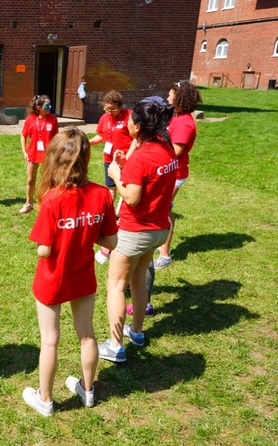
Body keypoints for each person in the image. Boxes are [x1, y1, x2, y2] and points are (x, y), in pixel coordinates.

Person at [22, 126, 118, 416]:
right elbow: (111, 241)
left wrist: (65, 235)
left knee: (50, 339)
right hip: (83, 275)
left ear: (56, 159)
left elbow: (44, 249)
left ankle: (46, 400)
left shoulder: (52, 200)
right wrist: (85, 234)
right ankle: (88, 391)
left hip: (51, 279)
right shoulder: (102, 194)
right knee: (87, 334)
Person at [98, 96, 177, 363]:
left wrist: (117, 175)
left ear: (138, 126)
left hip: (135, 230)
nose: (128, 121)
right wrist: (126, 162)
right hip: (157, 230)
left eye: (132, 119)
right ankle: (138, 331)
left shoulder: (143, 157)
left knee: (116, 285)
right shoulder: (165, 148)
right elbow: (148, 177)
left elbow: (131, 198)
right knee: (139, 279)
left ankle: (115, 345)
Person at [154, 81, 202, 269]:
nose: (167, 98)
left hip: (175, 173)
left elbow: (176, 151)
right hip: (167, 170)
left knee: (164, 211)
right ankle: (161, 244)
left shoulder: (184, 123)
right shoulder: (176, 117)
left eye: (170, 94)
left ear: (179, 97)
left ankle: (165, 255)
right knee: (163, 209)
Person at [89, 90, 134, 200]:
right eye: (106, 109)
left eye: (112, 109)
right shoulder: (104, 117)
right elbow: (101, 136)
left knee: (127, 188)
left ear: (120, 106)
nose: (109, 112)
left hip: (126, 158)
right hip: (109, 159)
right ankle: (110, 215)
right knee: (110, 187)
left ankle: (126, 215)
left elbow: (136, 139)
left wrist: (127, 157)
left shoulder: (130, 115)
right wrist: (88, 142)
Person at [18, 95, 59, 214]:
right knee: (30, 180)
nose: (49, 107)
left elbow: (57, 137)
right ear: (38, 107)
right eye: (47, 105)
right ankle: (28, 203)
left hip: (48, 155)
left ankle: (45, 204)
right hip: (32, 154)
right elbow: (23, 135)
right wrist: (24, 152)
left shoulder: (53, 119)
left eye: (50, 105)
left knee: (47, 181)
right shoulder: (30, 119)